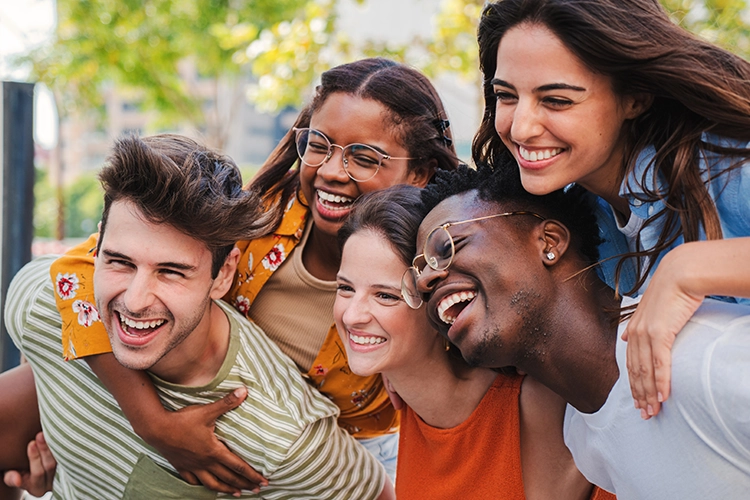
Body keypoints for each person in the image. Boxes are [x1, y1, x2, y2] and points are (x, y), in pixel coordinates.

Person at [37, 57, 459, 488]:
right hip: (196, 408)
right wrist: (151, 425)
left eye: (364, 158)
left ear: (420, 172)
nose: (332, 171)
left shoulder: (437, 275)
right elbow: (77, 268)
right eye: (318, 145)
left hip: (335, 453)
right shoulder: (264, 218)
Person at [5, 133, 394, 499]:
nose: (136, 301)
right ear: (98, 244)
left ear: (224, 274)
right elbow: (39, 359)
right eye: (119, 262)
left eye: (171, 272)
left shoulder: (282, 438)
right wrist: (56, 440)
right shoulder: (40, 299)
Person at [474, 0, 750, 418]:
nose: (520, 126)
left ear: (635, 98)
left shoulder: (727, 162)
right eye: (506, 96)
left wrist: (686, 269)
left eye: (557, 100)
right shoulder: (570, 217)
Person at [409, 161, 750, 499]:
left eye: (448, 246)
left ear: (549, 242)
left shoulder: (703, 360)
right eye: (417, 277)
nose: (426, 280)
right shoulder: (581, 436)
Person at [334, 185, 614, 500]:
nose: (351, 315)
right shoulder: (408, 405)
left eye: (385, 295)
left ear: (439, 302)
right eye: (345, 288)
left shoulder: (544, 399)